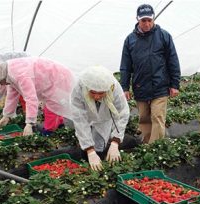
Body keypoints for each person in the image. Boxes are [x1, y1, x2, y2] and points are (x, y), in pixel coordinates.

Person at [120, 4, 181, 144]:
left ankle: (156, 148)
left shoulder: (164, 36)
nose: (147, 23)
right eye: (143, 20)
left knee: (158, 116)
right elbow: (125, 66)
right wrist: (124, 87)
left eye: (149, 20)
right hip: (140, 85)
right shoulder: (130, 40)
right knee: (144, 118)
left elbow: (173, 60)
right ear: (137, 20)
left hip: (160, 85)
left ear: (153, 19)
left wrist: (174, 84)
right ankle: (147, 145)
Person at [0, 57, 75, 136]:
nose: (1, 85)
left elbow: (31, 99)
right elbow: (12, 96)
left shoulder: (21, 76)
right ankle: (59, 125)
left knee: (51, 107)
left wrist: (29, 123)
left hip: (58, 77)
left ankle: (49, 132)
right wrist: (6, 115)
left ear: (1, 77)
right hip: (49, 77)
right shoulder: (9, 74)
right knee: (51, 107)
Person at [71, 65, 130, 171]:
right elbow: (80, 119)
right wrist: (89, 150)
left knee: (99, 144)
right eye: (93, 92)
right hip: (86, 115)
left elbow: (122, 113)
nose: (97, 96)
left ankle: (98, 163)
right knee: (86, 145)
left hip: (104, 117)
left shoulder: (114, 87)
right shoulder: (79, 87)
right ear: (87, 87)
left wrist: (115, 141)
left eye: (101, 93)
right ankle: (87, 159)